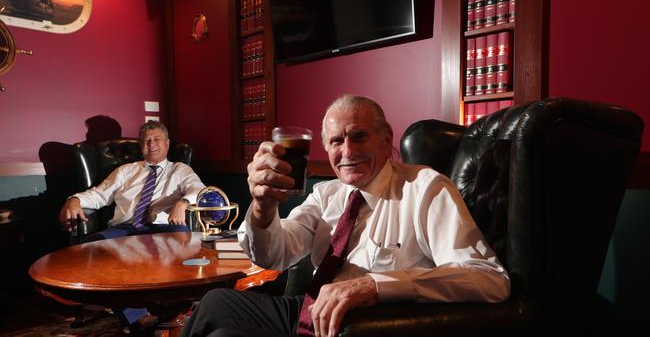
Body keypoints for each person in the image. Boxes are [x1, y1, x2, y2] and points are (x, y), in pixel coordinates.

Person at [181, 95, 510, 337]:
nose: (348, 151)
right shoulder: (327, 194)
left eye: (359, 136)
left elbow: (488, 279)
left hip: (364, 325)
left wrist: (374, 286)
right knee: (213, 302)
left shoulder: (425, 187)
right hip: (307, 309)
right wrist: (262, 207)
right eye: (337, 141)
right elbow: (274, 255)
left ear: (386, 140)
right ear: (326, 149)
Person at [59, 120, 205, 332]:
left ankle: (178, 310)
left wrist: (182, 203)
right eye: (146, 141)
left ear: (167, 144)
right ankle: (137, 318)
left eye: (156, 140)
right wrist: (74, 200)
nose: (151, 144)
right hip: (125, 229)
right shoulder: (125, 171)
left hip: (163, 228)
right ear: (140, 146)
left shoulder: (180, 170)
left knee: (184, 242)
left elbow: (199, 190)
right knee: (92, 247)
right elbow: (99, 195)